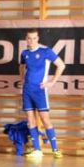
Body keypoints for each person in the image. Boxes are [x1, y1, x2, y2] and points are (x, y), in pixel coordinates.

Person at [19, 29, 65, 158]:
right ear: (26, 39)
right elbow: (21, 66)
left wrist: (52, 82)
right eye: (29, 38)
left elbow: (61, 65)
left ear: (38, 38)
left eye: (34, 38)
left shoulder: (45, 51)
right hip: (27, 90)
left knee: (45, 119)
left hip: (40, 90)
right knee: (30, 120)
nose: (31, 41)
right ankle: (37, 150)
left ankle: (55, 149)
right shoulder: (24, 53)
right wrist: (22, 78)